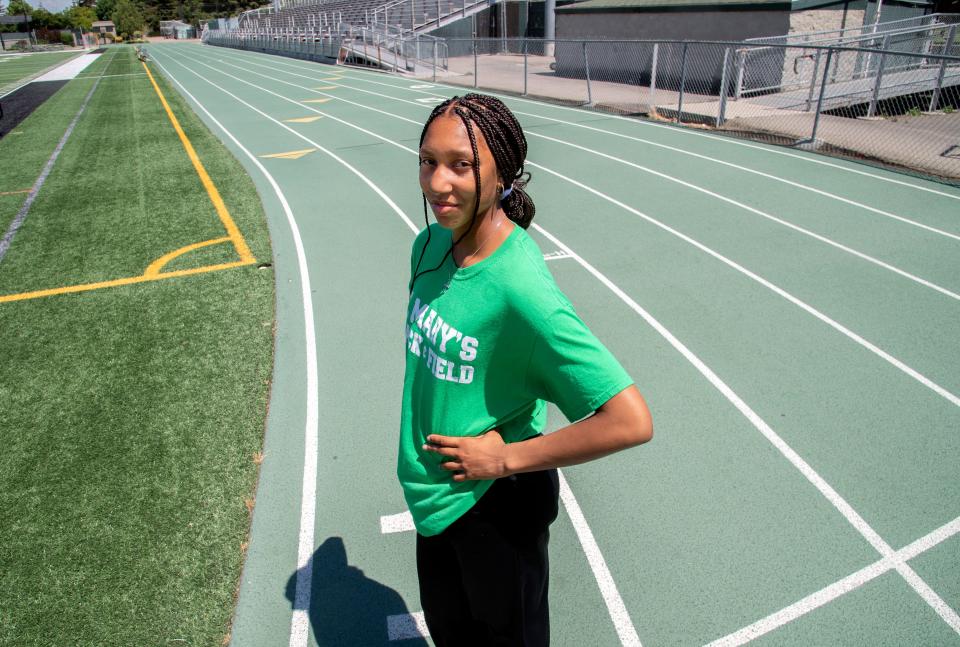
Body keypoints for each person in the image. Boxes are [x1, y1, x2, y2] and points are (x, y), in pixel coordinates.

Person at [399, 93, 653, 647]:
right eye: (427, 160)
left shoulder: (520, 287)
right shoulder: (428, 246)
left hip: (496, 506)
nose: (438, 182)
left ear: (503, 175)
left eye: (461, 165)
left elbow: (630, 420)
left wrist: (505, 458)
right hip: (436, 496)